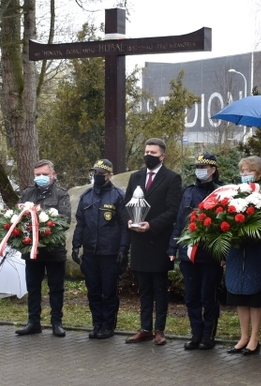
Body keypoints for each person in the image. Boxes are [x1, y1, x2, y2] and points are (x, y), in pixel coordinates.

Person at [124, 138, 182, 346]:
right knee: (144, 289)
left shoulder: (172, 178)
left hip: (158, 241)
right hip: (138, 242)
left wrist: (151, 225)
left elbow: (173, 210)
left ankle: (159, 330)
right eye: (146, 152)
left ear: (162, 156)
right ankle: (145, 328)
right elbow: (126, 204)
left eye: (153, 153)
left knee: (159, 288)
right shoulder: (135, 176)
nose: (148, 155)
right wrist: (129, 220)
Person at [168, 153, 224, 350]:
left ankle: (208, 335)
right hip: (188, 254)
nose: (199, 169)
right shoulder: (188, 191)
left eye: (203, 166)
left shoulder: (222, 192)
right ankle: (196, 333)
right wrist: (172, 247)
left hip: (210, 254)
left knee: (208, 296)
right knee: (191, 297)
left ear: (213, 170)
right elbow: (180, 221)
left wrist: (224, 255)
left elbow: (227, 228)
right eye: (197, 166)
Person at [72, 158, 129, 340]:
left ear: (110, 175)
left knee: (108, 292)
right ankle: (97, 324)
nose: (97, 176)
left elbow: (124, 226)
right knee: (94, 291)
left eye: (101, 174)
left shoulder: (118, 196)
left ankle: (108, 325)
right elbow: (80, 224)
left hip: (110, 253)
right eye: (95, 173)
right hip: (90, 253)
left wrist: (123, 250)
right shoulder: (86, 196)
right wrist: (75, 245)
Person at [15, 159, 71, 337]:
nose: (41, 177)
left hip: (54, 250)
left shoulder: (61, 194)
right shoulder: (27, 193)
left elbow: (65, 220)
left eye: (44, 175)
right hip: (32, 250)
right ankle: (33, 322)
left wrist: (43, 227)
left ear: (53, 175)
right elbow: (18, 217)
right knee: (33, 287)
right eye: (37, 175)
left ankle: (57, 322)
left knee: (56, 288)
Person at [225, 156, 261, 356]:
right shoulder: (234, 193)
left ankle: (255, 337)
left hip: (256, 251)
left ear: (259, 173)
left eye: (248, 171)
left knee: (254, 296)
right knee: (239, 294)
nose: (244, 174)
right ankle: (243, 336)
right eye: (242, 170)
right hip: (237, 251)